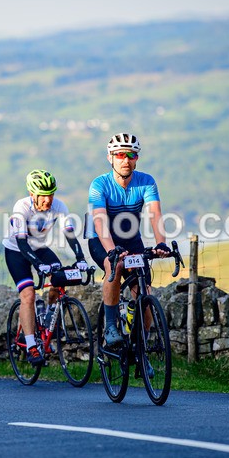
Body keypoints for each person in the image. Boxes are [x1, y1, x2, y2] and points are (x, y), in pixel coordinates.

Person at [87, 133, 169, 350]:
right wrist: (112, 251)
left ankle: (141, 349)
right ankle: (111, 326)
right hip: (101, 239)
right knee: (115, 264)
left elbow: (155, 215)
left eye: (131, 155)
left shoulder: (146, 182)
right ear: (110, 158)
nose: (126, 160)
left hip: (131, 239)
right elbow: (99, 222)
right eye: (120, 154)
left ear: (136, 158)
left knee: (145, 293)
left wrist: (161, 244)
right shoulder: (99, 184)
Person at [2, 169, 88, 366]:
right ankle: (32, 345)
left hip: (40, 248)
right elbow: (23, 244)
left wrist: (80, 257)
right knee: (28, 295)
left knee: (60, 280)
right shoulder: (21, 207)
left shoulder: (59, 206)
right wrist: (39, 265)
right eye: (43, 196)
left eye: (51, 194)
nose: (48, 200)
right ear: (33, 194)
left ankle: (48, 316)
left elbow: (69, 233)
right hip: (17, 251)